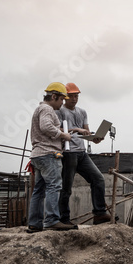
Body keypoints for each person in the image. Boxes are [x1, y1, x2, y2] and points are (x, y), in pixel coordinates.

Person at [56, 82, 112, 225]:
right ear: (65, 97)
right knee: (66, 188)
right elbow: (58, 131)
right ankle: (64, 219)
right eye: (71, 96)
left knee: (98, 179)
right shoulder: (60, 111)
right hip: (68, 153)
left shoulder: (82, 112)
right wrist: (77, 129)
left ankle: (99, 213)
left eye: (76, 96)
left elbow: (86, 130)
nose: (74, 99)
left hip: (81, 153)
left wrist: (95, 138)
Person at [27, 82, 77, 233]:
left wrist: (70, 131)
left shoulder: (40, 109)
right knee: (54, 186)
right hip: (49, 154)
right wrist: (63, 136)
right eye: (61, 99)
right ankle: (51, 220)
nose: (62, 103)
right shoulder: (48, 109)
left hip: (38, 155)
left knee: (39, 190)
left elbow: (48, 127)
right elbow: (46, 127)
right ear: (54, 96)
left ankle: (35, 223)